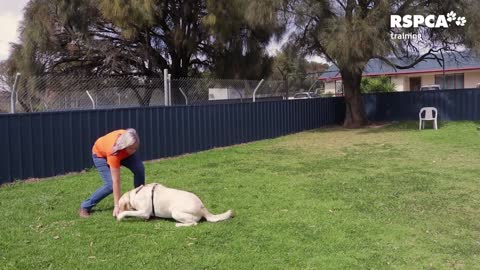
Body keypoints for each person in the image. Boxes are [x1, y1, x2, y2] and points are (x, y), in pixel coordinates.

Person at [79, 128, 145, 218]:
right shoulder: (114, 153)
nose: (133, 151)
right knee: (110, 185)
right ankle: (85, 207)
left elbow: (131, 151)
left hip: (122, 152)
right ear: (125, 145)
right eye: (131, 148)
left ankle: (139, 201)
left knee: (139, 169)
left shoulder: (129, 137)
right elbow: (116, 181)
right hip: (100, 155)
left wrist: (130, 150)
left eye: (135, 148)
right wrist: (117, 206)